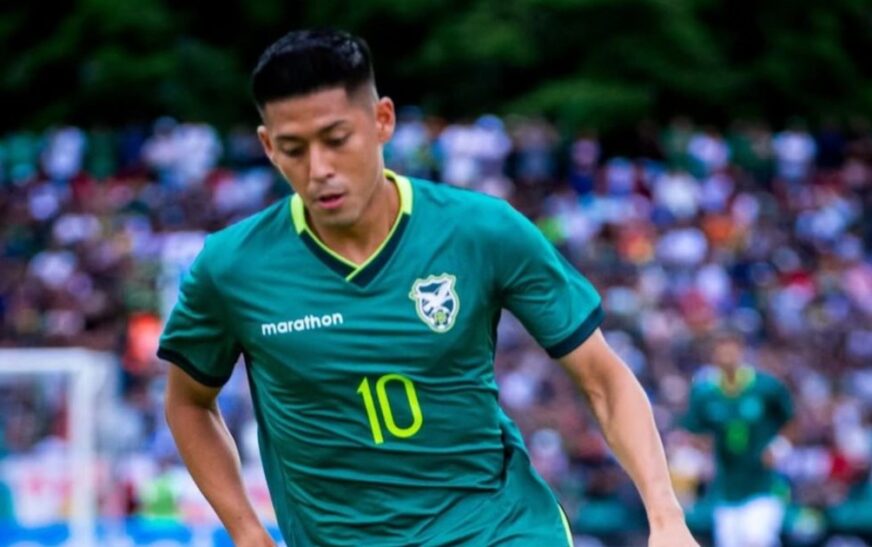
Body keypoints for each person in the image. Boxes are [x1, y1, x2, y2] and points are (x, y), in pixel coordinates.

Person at [159, 28, 698, 547]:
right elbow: (188, 404)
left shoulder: (483, 231)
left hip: (498, 529)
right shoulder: (230, 268)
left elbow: (603, 378)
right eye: (293, 149)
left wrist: (666, 517)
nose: (319, 168)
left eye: (337, 140)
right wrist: (247, 533)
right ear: (267, 147)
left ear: (382, 120)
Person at [681, 331, 794, 547]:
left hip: (763, 484)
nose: (727, 356)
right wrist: (702, 453)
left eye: (731, 349)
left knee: (757, 539)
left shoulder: (766, 387)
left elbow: (790, 419)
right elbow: (694, 431)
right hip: (726, 487)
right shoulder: (705, 393)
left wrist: (780, 446)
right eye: (721, 351)